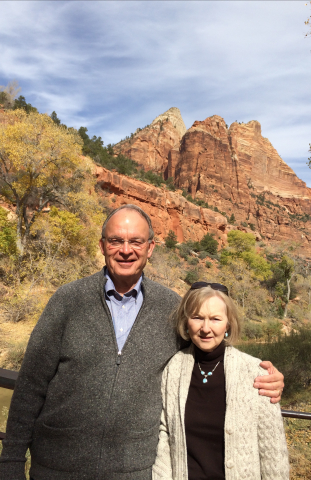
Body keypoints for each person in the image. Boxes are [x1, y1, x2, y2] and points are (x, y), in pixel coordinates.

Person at [0, 205, 285, 480]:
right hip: (56, 468)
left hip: (134, 472)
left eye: (136, 241)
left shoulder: (171, 308)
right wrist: (12, 460)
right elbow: (30, 385)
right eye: (116, 241)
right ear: (102, 246)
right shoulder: (68, 300)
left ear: (150, 248)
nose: (126, 250)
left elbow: (204, 352)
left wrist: (260, 376)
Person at [152, 282, 289, 480]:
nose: (205, 328)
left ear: (228, 323)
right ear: (186, 321)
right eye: (197, 317)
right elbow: (166, 434)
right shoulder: (173, 368)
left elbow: (273, 451)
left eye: (215, 319)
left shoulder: (255, 372)